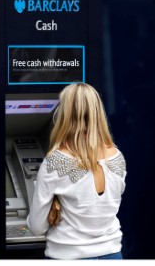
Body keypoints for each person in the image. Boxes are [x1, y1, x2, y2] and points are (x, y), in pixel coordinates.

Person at [26, 83, 127, 260]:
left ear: (65, 114)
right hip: (112, 255)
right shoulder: (117, 156)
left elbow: (37, 227)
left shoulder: (55, 162)